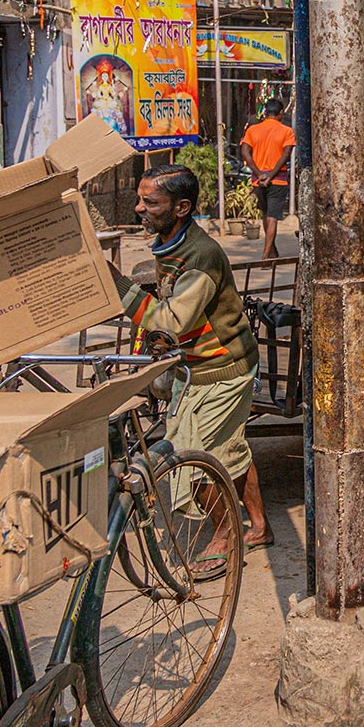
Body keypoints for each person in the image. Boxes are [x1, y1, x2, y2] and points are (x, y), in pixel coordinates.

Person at [115, 164, 271, 551]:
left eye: (150, 202)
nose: (139, 208)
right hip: (199, 366)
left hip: (223, 369)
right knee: (231, 448)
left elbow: (170, 320)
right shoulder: (172, 243)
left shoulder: (200, 256)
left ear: (181, 207)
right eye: (140, 199)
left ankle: (226, 533)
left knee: (195, 457)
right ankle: (260, 526)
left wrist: (114, 285)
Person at [238, 98, 295, 261]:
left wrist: (259, 173)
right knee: (272, 216)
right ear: (281, 113)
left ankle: (271, 250)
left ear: (265, 113)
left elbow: (245, 152)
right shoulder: (287, 131)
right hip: (278, 180)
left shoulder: (253, 130)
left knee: (265, 214)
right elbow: (286, 155)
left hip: (258, 180)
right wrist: (270, 175)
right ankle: (266, 255)